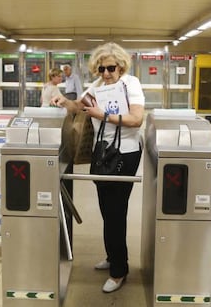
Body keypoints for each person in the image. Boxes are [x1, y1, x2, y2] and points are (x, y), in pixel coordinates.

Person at [51, 42, 145, 293]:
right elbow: (79, 107)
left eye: (111, 68)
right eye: (101, 69)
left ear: (121, 66)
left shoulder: (130, 84)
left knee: (116, 211)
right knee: (106, 208)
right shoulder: (98, 86)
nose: (105, 74)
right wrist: (64, 102)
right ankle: (112, 256)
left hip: (125, 154)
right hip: (102, 154)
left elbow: (137, 120)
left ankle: (119, 271)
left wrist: (103, 115)